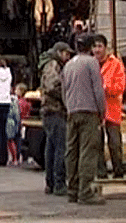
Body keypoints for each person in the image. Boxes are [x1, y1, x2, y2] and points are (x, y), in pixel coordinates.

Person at [62, 34, 106, 205]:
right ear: (89, 47)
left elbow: (64, 91)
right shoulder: (91, 62)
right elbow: (98, 90)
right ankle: (85, 191)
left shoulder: (68, 65)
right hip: (89, 112)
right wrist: (102, 112)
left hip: (72, 111)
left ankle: (72, 189)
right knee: (88, 151)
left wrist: (69, 108)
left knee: (72, 151)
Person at [39, 41, 74, 196]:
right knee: (60, 147)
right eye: (67, 54)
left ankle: (50, 183)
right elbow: (53, 86)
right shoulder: (53, 65)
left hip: (48, 111)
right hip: (55, 110)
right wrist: (67, 97)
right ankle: (58, 183)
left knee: (51, 148)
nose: (68, 57)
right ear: (60, 52)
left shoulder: (49, 63)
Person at [92, 34, 126, 179]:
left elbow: (120, 86)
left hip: (111, 108)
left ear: (105, 48)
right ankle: (101, 172)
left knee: (115, 143)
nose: (97, 50)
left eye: (99, 46)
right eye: (94, 46)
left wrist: (106, 88)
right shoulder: (91, 63)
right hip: (95, 110)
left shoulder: (116, 64)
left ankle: (118, 171)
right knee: (96, 143)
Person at [6, 85, 21, 166]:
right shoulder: (14, 100)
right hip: (12, 121)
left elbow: (15, 113)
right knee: (11, 141)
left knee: (10, 141)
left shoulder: (12, 101)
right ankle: (14, 158)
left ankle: (14, 158)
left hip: (10, 121)